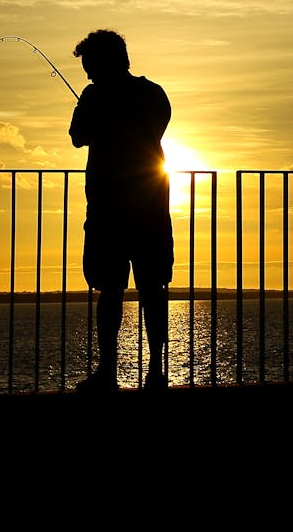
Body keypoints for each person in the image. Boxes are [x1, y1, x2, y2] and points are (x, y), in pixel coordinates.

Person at [68, 29, 173, 393]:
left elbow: (78, 135)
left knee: (109, 290)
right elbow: (156, 129)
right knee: (153, 288)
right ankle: (157, 371)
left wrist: (94, 109)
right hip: (151, 206)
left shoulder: (95, 95)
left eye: (90, 65)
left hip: (108, 210)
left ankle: (108, 373)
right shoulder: (154, 94)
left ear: (103, 61)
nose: (86, 74)